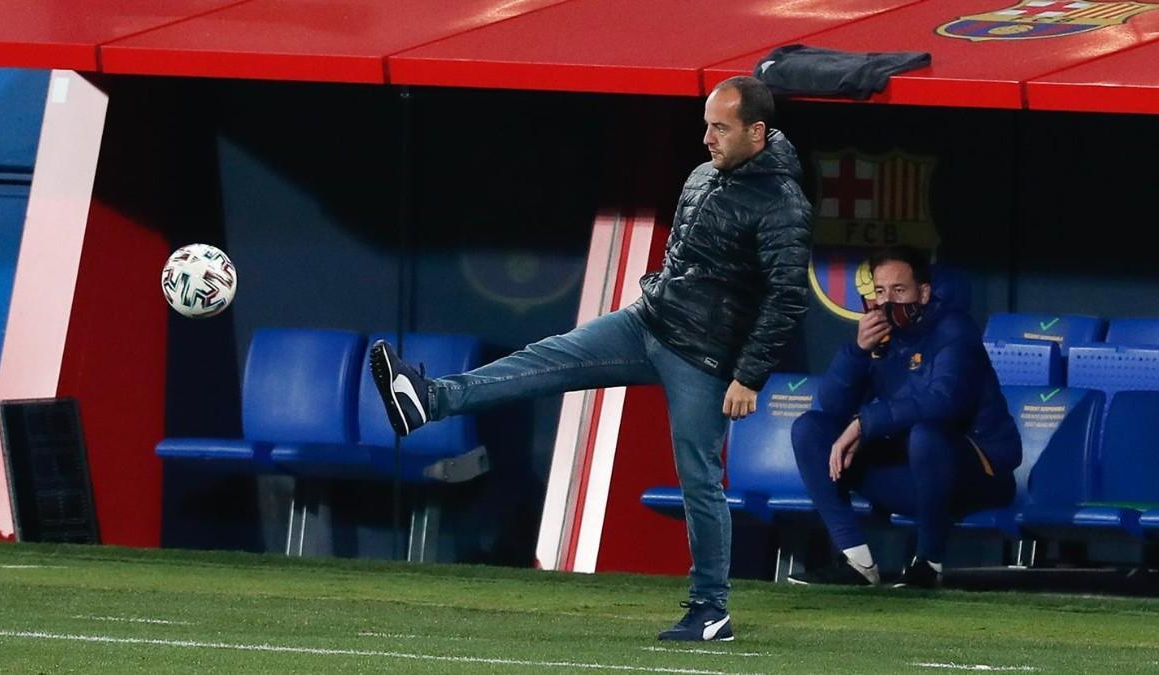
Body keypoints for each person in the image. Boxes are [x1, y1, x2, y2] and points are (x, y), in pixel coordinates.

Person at [370, 75, 812, 642]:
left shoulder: (783, 202)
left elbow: (786, 296)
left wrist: (748, 376)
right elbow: (684, 258)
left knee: (698, 479)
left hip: (704, 357)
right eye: (705, 124)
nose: (707, 138)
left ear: (757, 131)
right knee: (543, 359)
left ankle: (711, 610)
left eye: (720, 127)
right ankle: (429, 400)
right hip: (646, 323)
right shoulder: (703, 173)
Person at [788, 246, 1021, 589]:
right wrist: (857, 351)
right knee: (809, 429)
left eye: (899, 290)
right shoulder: (879, 337)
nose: (887, 302)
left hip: (976, 477)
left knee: (926, 435)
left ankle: (928, 564)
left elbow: (944, 401)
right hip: (910, 479)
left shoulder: (955, 329)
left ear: (923, 292)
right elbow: (833, 406)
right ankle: (857, 561)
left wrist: (866, 422)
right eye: (880, 292)